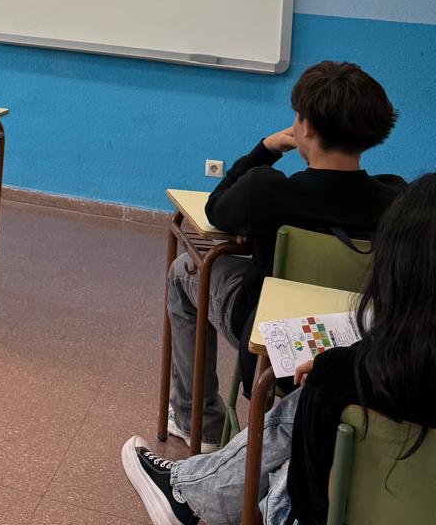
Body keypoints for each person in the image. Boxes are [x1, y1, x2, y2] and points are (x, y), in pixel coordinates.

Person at [122, 173, 436, 525]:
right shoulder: (386, 191)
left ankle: (191, 488)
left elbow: (309, 503)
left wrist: (268, 147)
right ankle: (189, 490)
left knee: (284, 463)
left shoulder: (347, 378)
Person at [165, 61, 402, 449]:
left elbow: (215, 208)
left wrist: (266, 149)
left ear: (305, 127)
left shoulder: (267, 192)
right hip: (357, 343)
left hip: (271, 336)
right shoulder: (397, 200)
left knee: (184, 269)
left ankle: (199, 422)